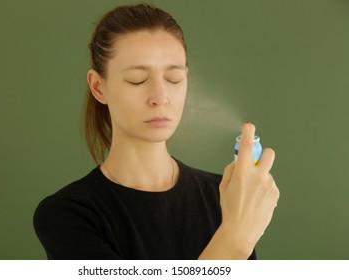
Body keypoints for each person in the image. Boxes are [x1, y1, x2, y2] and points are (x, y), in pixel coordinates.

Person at [33, 2, 279, 260]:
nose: (160, 97)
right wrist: (235, 237)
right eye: (137, 80)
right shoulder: (68, 214)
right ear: (98, 87)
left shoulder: (225, 196)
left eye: (173, 79)